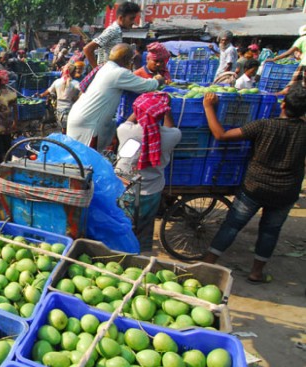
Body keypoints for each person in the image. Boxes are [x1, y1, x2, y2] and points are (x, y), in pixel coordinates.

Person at [202, 85, 306, 284]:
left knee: (232, 225)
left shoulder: (264, 125)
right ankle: (256, 272)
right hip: (286, 191)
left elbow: (221, 135)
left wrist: (208, 107)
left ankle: (208, 263)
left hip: (254, 187)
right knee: (270, 231)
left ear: (282, 105)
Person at [115, 92, 182, 252]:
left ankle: (120, 252)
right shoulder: (172, 136)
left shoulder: (125, 131)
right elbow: (170, 127)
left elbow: (130, 120)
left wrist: (140, 109)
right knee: (144, 228)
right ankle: (140, 254)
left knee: (123, 225)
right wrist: (166, 110)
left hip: (126, 189)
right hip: (151, 192)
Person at [66, 44, 163, 151]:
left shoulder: (105, 67)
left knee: (76, 156)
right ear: (126, 59)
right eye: (130, 60)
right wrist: (157, 80)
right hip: (89, 123)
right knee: (86, 158)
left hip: (79, 116)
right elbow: (147, 86)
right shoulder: (119, 73)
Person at [84, 1, 141, 68]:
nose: (133, 22)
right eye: (131, 19)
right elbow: (87, 49)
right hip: (107, 73)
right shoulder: (113, 30)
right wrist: (97, 70)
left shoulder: (117, 31)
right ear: (121, 18)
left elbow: (101, 50)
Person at [39, 64, 80, 132]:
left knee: (63, 129)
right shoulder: (75, 83)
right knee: (68, 130)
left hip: (59, 111)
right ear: (73, 72)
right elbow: (84, 90)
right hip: (70, 110)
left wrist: (41, 95)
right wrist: (77, 97)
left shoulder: (57, 82)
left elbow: (48, 91)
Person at [267, 24, 306, 94]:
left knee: (294, 83)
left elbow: (288, 53)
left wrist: (275, 58)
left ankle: (280, 93)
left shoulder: (302, 39)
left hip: (305, 64)